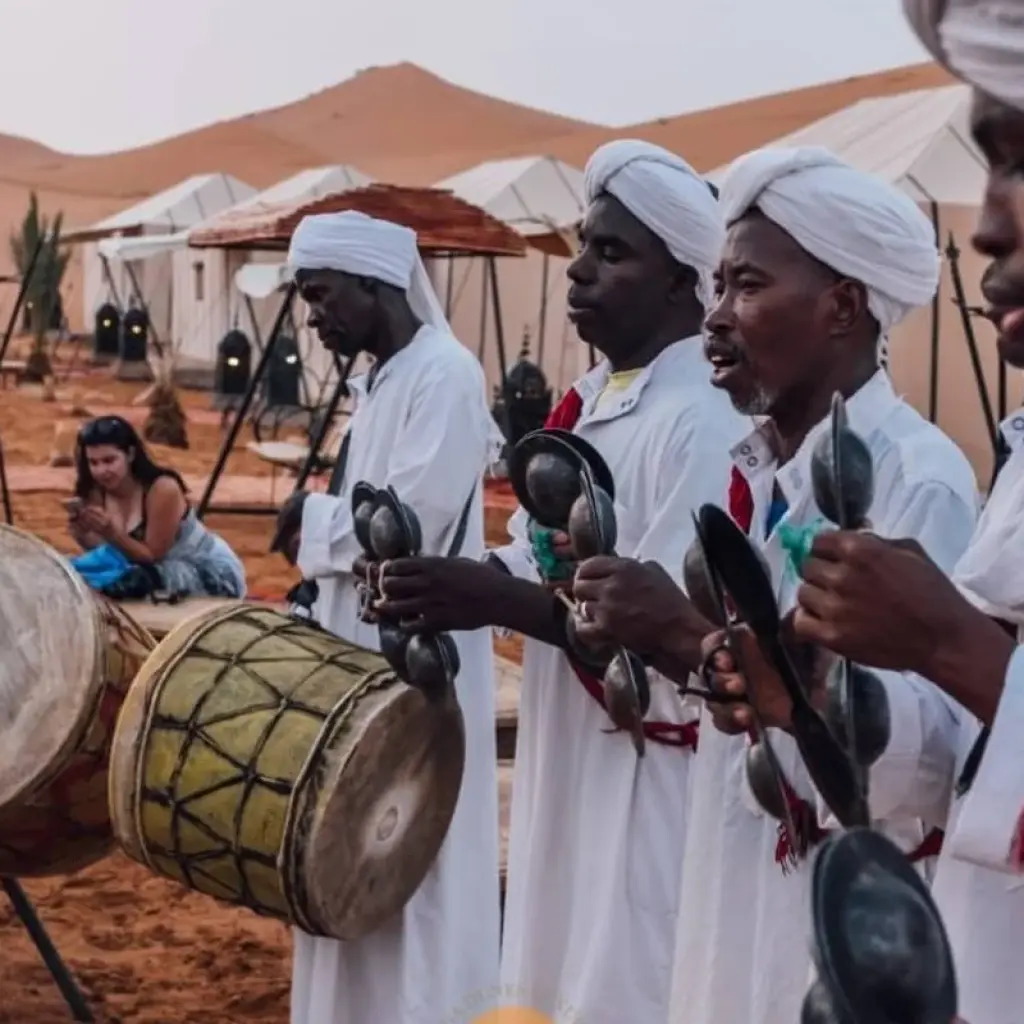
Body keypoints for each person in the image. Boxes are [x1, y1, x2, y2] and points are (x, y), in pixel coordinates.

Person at [571, 146, 980, 1024]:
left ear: (841, 306)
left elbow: (936, 757)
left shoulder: (921, 479)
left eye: (746, 288)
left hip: (833, 921)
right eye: (716, 287)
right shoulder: (760, 475)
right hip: (736, 881)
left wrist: (705, 647)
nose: (714, 318)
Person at [365, 140, 747, 1023]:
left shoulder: (698, 419)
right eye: (585, 245)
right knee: (552, 966)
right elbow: (543, 558)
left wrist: (496, 600)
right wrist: (456, 580)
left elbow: (668, 632)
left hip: (651, 775)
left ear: (685, 283)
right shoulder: (599, 401)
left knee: (626, 979)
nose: (576, 272)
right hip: (572, 756)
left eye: (610, 254)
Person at [776, 5, 1024, 1019]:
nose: (985, 220)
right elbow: (946, 766)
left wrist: (949, 639)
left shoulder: (922, 468)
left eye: (1017, 159)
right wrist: (809, 678)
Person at [273, 210, 502, 1024]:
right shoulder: (385, 378)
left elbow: (411, 523)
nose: (315, 317)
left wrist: (314, 522)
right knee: (348, 856)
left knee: (414, 869)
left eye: (323, 295)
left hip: (416, 674)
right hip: (361, 665)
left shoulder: (446, 373)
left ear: (376, 283)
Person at [68, 414, 245, 599]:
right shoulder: (96, 491)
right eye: (93, 463)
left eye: (109, 461)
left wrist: (110, 532)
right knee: (71, 572)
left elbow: (151, 556)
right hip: (143, 568)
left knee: (129, 582)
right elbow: (113, 552)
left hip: (203, 571)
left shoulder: (161, 489)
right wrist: (83, 535)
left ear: (130, 454)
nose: (101, 471)